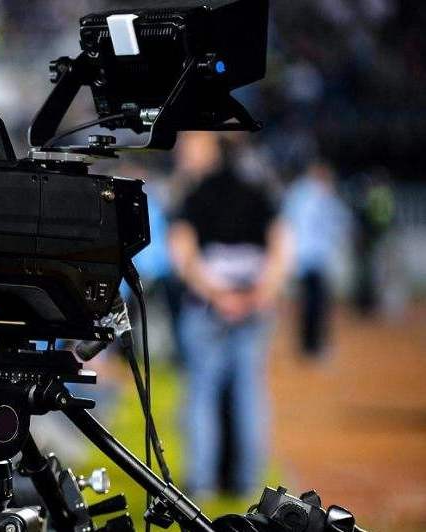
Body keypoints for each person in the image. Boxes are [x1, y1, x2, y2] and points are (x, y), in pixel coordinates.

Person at [168, 132, 291, 499]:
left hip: (208, 305)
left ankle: (202, 481)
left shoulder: (192, 193)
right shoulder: (260, 188)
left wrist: (218, 295)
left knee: (202, 392)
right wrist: (258, 294)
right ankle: (248, 482)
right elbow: (282, 246)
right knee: (249, 392)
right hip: (253, 302)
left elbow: (183, 251)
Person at [283, 159, 351, 357]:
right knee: (317, 303)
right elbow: (341, 220)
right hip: (314, 255)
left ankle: (308, 345)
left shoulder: (297, 193)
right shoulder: (320, 193)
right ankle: (313, 346)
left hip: (301, 256)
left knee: (308, 302)